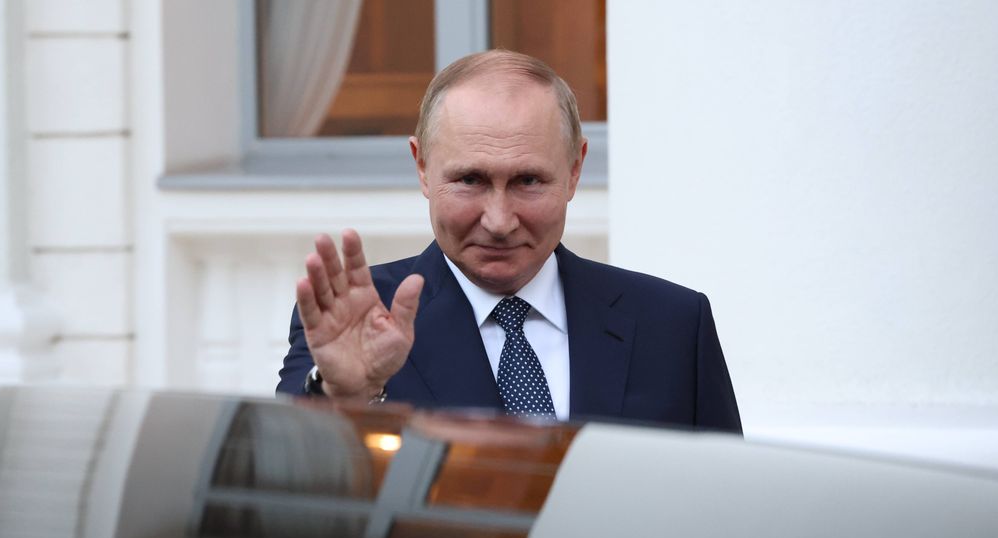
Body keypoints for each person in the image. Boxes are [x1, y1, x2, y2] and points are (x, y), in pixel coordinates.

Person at [277, 50, 742, 433]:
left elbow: (724, 516)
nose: (499, 221)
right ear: (422, 167)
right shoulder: (358, 320)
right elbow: (283, 499)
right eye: (471, 180)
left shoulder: (672, 326)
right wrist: (343, 396)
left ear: (575, 169)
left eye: (528, 181)